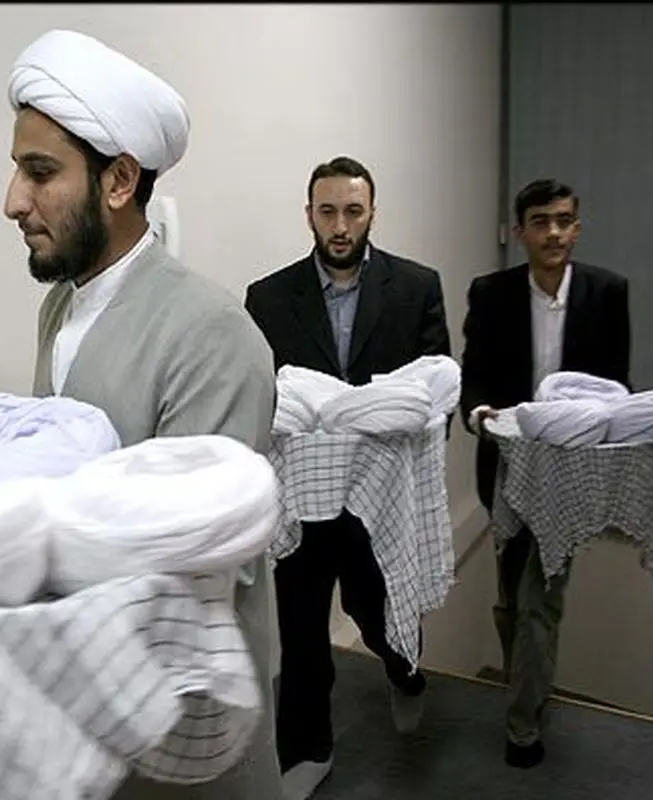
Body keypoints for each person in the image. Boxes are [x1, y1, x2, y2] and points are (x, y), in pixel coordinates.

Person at [3, 29, 284, 800]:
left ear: (120, 180)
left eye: (40, 173)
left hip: (185, 736)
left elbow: (187, 575)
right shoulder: (60, 308)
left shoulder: (212, 336)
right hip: (88, 720)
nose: (13, 201)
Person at [244, 155, 451, 798]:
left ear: (372, 214)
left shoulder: (415, 288)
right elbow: (265, 398)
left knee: (378, 611)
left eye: (353, 212)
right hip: (303, 501)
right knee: (302, 632)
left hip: (379, 500)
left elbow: (434, 391)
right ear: (309, 215)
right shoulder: (268, 298)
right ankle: (307, 750)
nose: (340, 226)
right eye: (328, 211)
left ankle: (404, 672)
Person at [460, 178, 631, 768]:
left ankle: (523, 726)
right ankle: (527, 684)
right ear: (520, 232)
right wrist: (481, 416)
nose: (553, 232)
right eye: (541, 221)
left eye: (563, 220)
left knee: (541, 600)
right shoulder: (491, 293)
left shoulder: (607, 292)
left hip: (571, 474)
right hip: (507, 468)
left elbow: (616, 387)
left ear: (577, 227)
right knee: (512, 599)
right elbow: (474, 379)